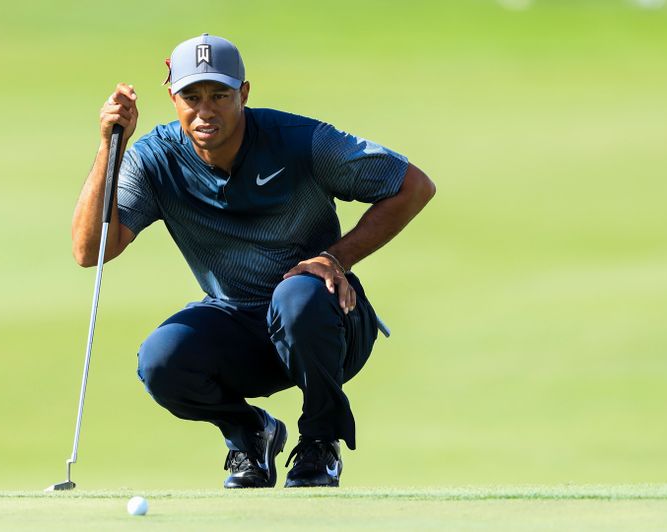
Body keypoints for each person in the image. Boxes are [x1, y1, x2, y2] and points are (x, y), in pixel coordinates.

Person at [72, 34, 435, 489]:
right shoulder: (155, 158)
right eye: (191, 96)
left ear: (243, 93)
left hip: (327, 322)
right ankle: (251, 435)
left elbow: (413, 186)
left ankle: (321, 442)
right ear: (172, 98)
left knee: (296, 296)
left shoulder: (300, 142)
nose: (205, 110)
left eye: (220, 95)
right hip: (237, 322)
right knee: (161, 360)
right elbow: (91, 251)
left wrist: (334, 258)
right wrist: (110, 146)